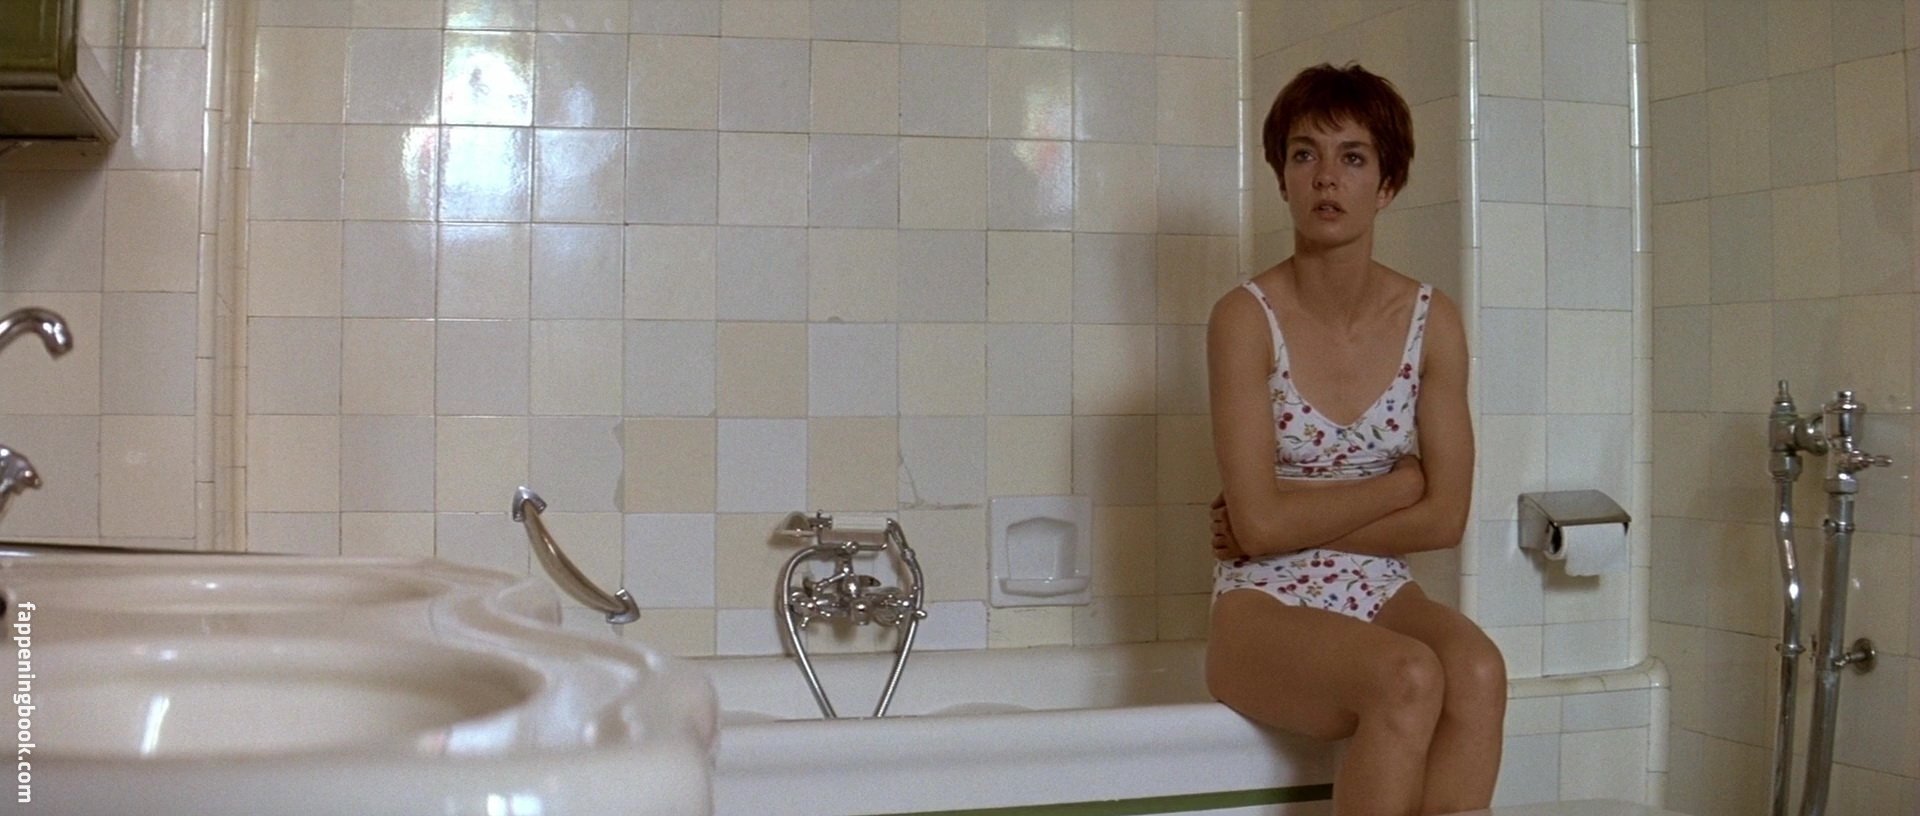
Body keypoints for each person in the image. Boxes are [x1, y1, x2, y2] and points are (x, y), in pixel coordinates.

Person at [1204, 63, 1504, 816]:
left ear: (1387, 183)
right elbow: (1258, 532)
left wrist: (1286, 515)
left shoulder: (1432, 321)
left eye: (1354, 157)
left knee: (1478, 670)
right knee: (1408, 677)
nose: (1326, 177)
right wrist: (1402, 485)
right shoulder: (1244, 319)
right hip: (1261, 601)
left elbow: (1447, 520)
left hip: (1379, 589)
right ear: (1282, 177)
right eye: (1304, 154)